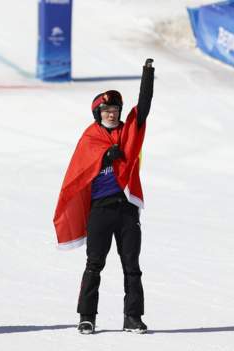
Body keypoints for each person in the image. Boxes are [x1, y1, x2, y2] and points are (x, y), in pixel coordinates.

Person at [53, 58, 154, 334]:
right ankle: (87, 316)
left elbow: (142, 110)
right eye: (107, 109)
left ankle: (132, 317)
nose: (112, 113)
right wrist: (103, 156)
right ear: (99, 113)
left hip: (126, 209)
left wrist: (147, 74)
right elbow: (79, 172)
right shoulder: (90, 137)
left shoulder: (127, 133)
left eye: (115, 109)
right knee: (94, 264)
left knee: (132, 265)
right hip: (100, 210)